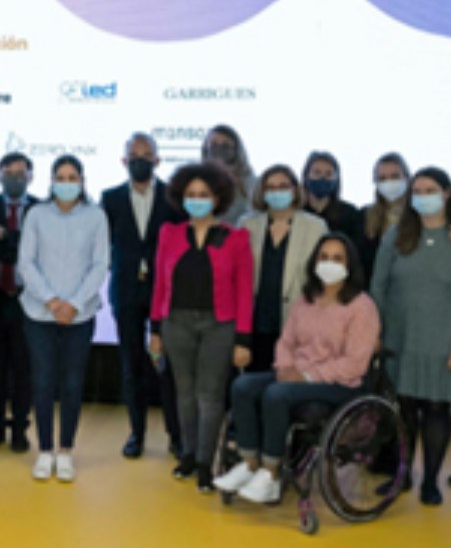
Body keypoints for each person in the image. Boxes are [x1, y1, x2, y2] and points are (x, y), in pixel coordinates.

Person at [214, 233, 381, 504]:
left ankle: (271, 472)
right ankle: (249, 463)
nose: (330, 263)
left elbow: (355, 363)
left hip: (339, 384)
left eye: (337, 258)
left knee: (277, 395)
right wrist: (284, 367)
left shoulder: (362, 306)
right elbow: (286, 340)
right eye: (324, 257)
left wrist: (306, 376)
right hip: (296, 373)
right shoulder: (306, 299)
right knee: (242, 386)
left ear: (350, 265)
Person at [370, 167, 451, 506]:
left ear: (447, 193)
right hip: (400, 338)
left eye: (430, 189)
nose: (422, 196)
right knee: (403, 409)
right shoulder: (396, 234)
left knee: (436, 410)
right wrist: (376, 330)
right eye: (416, 190)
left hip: (444, 342)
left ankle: (431, 481)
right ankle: (402, 474)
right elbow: (378, 284)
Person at [150, 162, 254, 493]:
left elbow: (243, 293)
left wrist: (243, 339)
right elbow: (159, 286)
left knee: (209, 397)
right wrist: (154, 329)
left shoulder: (236, 239)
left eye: (204, 195)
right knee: (184, 394)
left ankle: (207, 464)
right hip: (175, 322)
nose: (197, 200)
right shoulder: (169, 233)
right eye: (191, 194)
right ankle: (189, 456)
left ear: (217, 198)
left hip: (218, 326)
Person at [18, 155, 110, 483]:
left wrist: (73, 303)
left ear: (82, 181)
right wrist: (52, 300)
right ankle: (44, 450)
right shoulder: (36, 214)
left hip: (80, 314)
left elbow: (100, 265)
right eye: (60, 176)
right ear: (51, 180)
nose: (66, 182)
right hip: (38, 311)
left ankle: (66, 450)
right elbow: (26, 262)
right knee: (42, 382)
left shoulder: (96, 216)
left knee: (72, 383)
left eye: (72, 177)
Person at [101, 133, 184, 459]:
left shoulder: (173, 198)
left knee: (169, 367)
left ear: (158, 160)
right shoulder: (109, 199)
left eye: (147, 154)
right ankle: (136, 433)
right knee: (131, 366)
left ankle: (175, 436)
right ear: (123, 161)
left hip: (165, 294)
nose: (140, 160)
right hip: (125, 293)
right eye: (133, 154)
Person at [0, 153, 42, 453]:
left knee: (23, 369)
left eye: (21, 173)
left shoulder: (42, 208)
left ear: (30, 176)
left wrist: (8, 237)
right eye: (9, 173)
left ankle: (20, 430)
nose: (15, 178)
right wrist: (16, 241)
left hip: (28, 300)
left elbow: (33, 252)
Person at [239, 165, 328, 373]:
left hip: (297, 322)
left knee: (288, 387)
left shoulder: (316, 227)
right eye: (270, 187)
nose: (276, 192)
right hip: (257, 322)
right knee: (254, 384)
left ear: (295, 189)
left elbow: (322, 279)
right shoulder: (247, 224)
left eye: (283, 186)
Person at [359, 152, 411, 280]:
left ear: (407, 178)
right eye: (382, 178)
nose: (389, 182)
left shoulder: (419, 214)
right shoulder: (364, 216)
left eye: (395, 176)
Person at [301, 151, 364, 241]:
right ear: (306, 176)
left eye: (328, 174)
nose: (322, 178)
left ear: (336, 179)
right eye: (317, 172)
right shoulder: (297, 212)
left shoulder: (350, 214)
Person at [202, 125, 255, 225]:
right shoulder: (196, 178)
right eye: (214, 145)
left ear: (236, 149)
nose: (219, 149)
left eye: (225, 145)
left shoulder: (250, 181)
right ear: (206, 148)